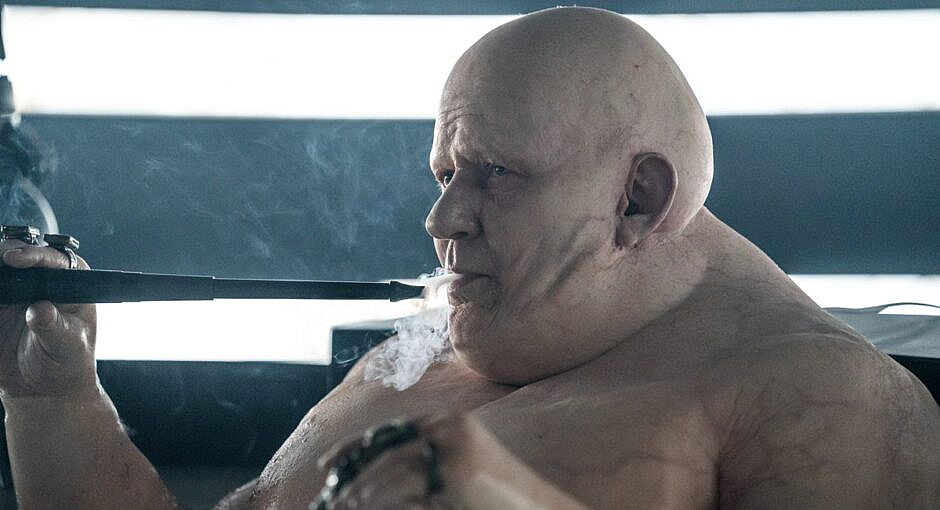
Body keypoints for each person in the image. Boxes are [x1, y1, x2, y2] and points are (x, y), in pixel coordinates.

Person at [0, 7, 937, 509]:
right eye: (446, 173)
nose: (442, 217)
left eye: (496, 174)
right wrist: (55, 404)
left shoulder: (823, 395)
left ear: (638, 198)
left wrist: (509, 501)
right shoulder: (413, 362)